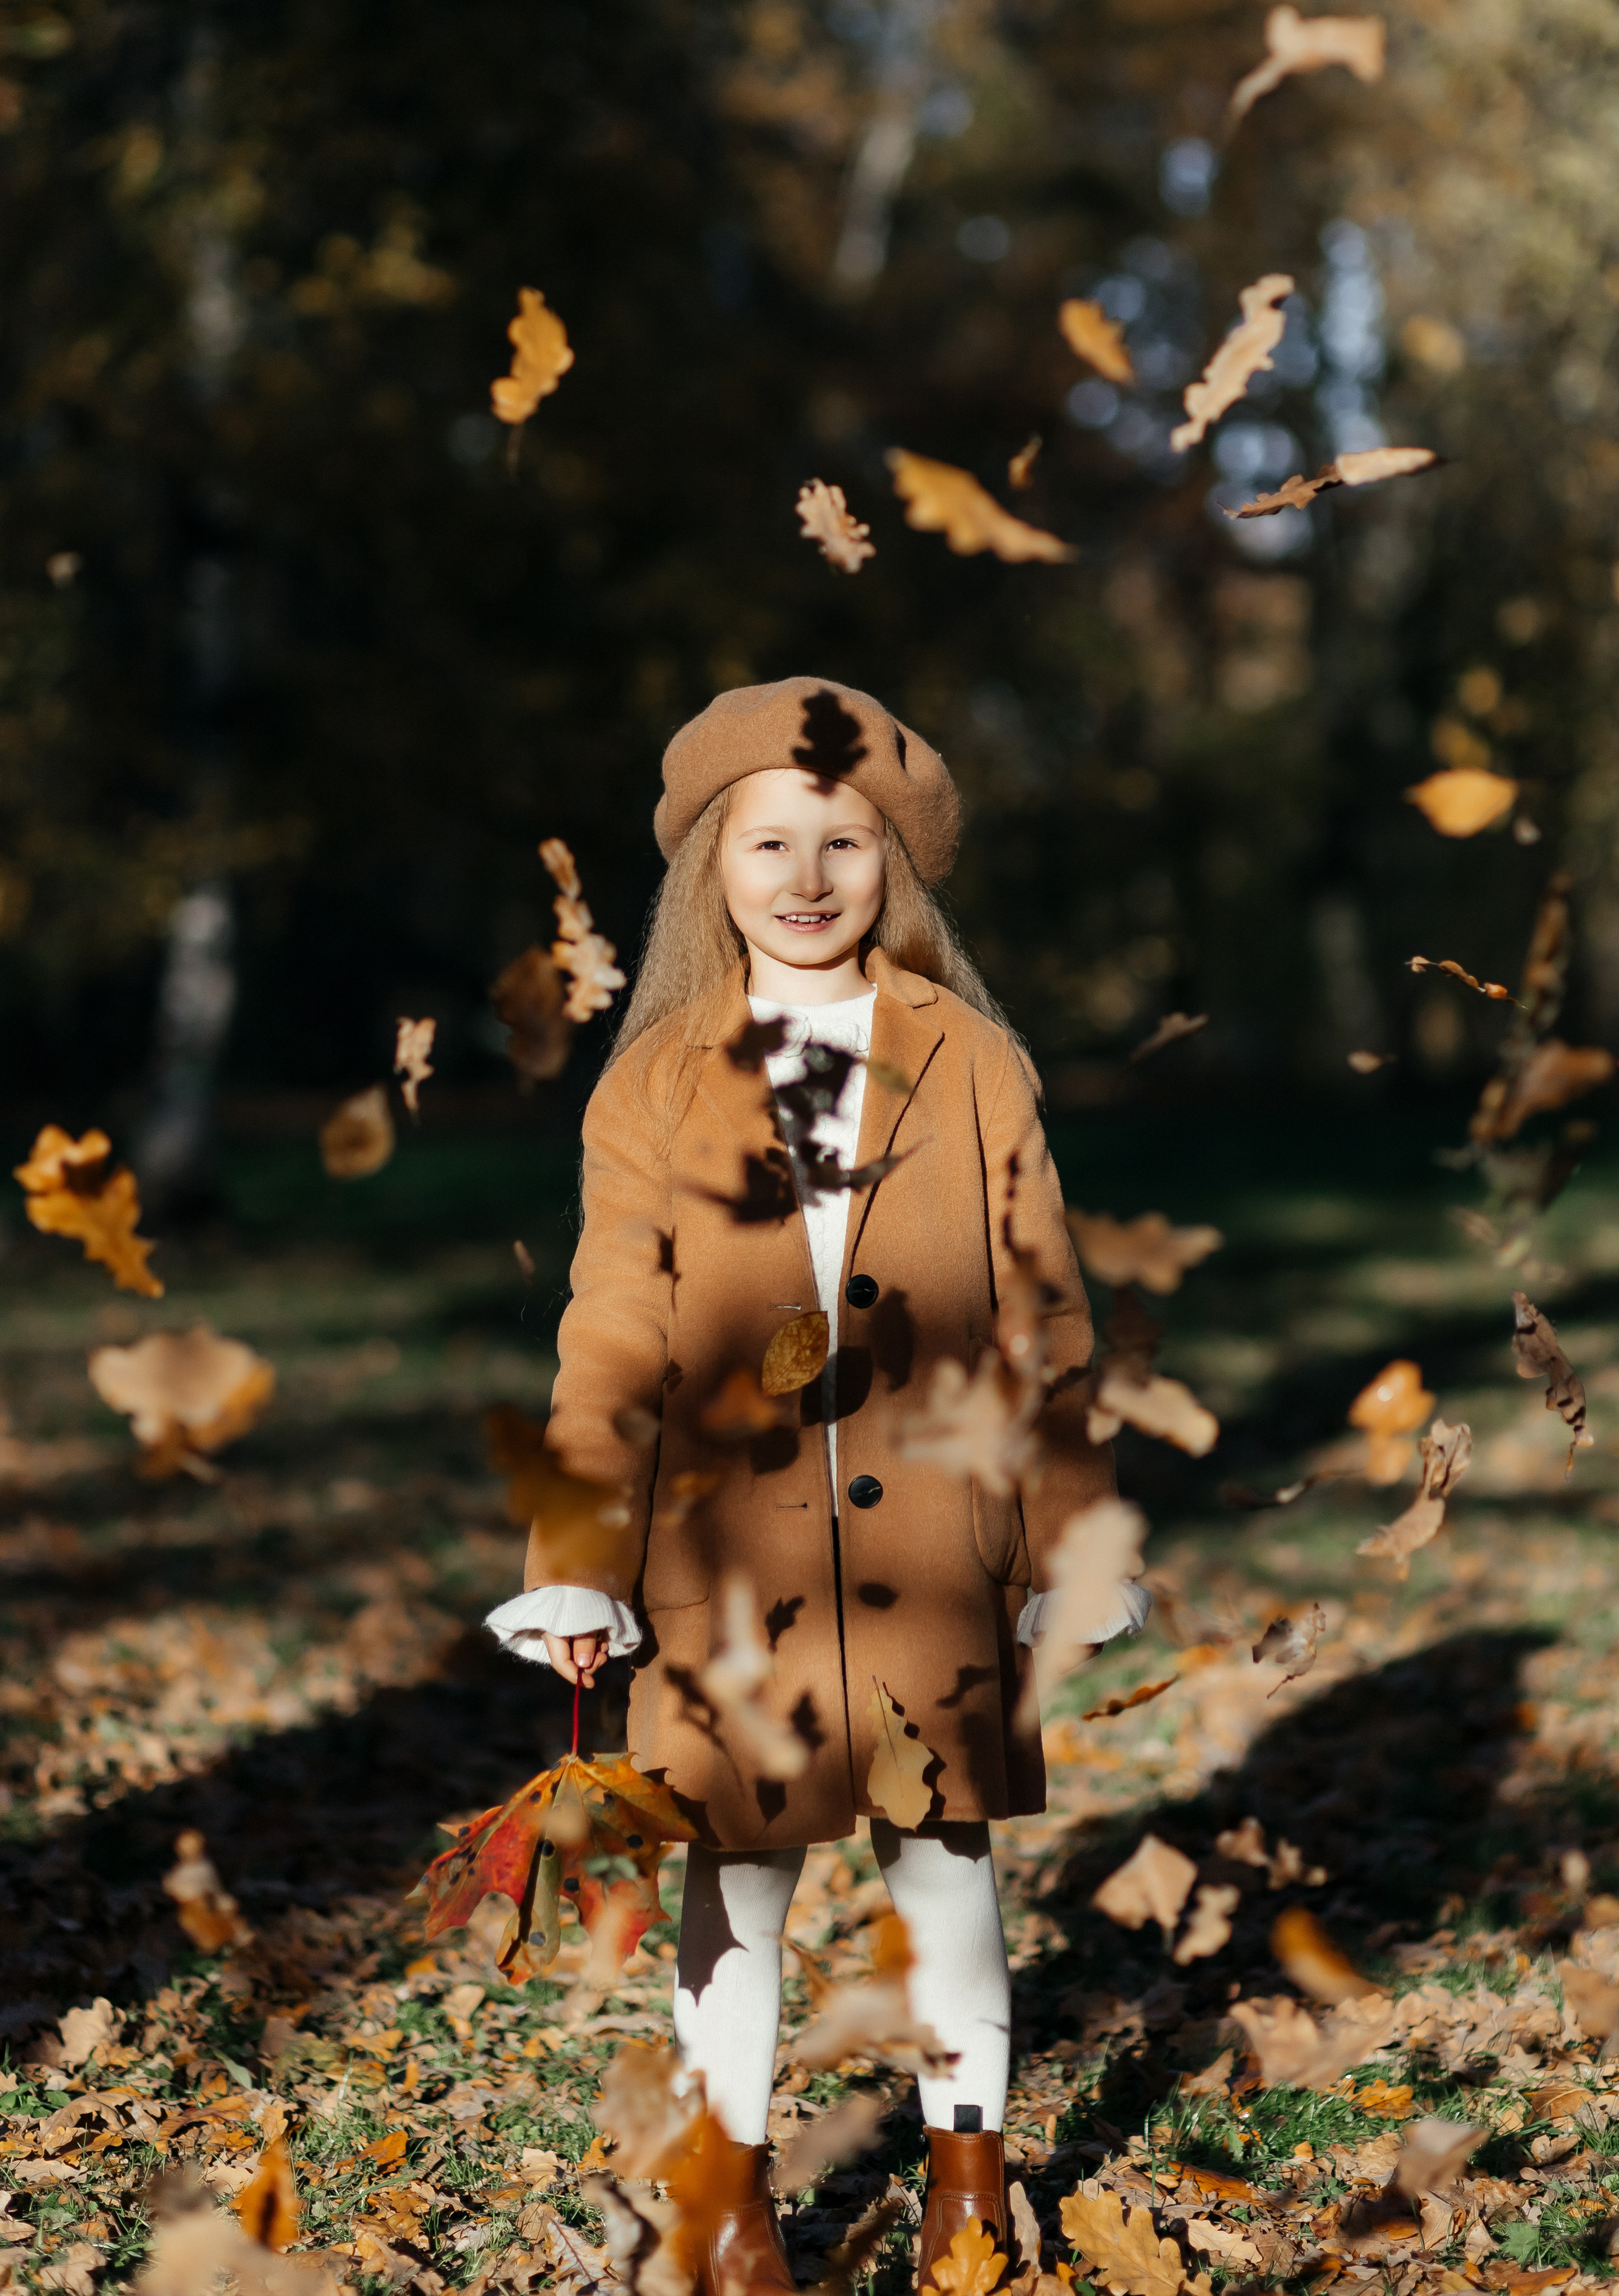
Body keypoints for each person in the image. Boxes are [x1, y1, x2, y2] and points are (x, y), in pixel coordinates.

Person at [486, 677, 1147, 2294]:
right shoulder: (652, 1082)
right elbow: (613, 1336)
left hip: (935, 1549)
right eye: (768, 840)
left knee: (946, 1869)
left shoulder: (969, 1061)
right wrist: (578, 1558)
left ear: (892, 867)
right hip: (724, 1560)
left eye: (841, 840)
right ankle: (722, 2203)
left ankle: (968, 2190)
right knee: (737, 1872)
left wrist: (1066, 1523)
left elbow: (1041, 1310)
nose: (803, 873)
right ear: (710, 867)